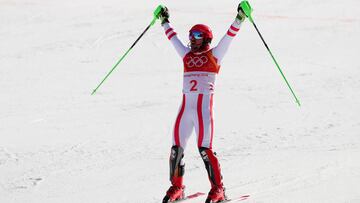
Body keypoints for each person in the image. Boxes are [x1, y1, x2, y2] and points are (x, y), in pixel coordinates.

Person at [159, 3, 248, 203]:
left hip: (202, 113)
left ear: (206, 38)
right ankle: (177, 187)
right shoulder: (186, 56)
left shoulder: (215, 55)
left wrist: (240, 18)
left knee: (204, 149)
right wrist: (164, 21)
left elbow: (230, 36)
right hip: (185, 110)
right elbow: (173, 39)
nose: (192, 39)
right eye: (191, 35)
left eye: (197, 35)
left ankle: (218, 189)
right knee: (176, 149)